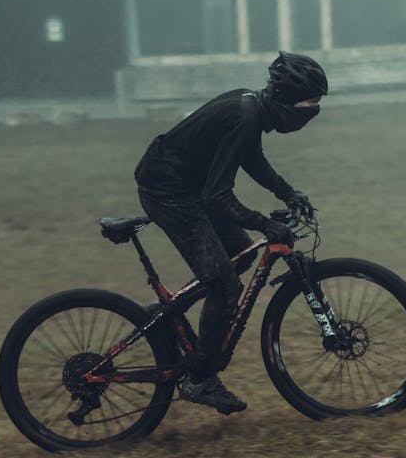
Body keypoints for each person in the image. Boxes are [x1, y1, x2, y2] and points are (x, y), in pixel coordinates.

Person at [135, 51, 328, 415]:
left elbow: (250, 157)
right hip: (169, 193)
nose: (312, 113)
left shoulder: (252, 108)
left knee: (242, 251)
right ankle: (199, 380)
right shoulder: (246, 115)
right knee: (226, 288)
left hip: (187, 187)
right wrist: (264, 222)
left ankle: (167, 313)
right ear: (287, 103)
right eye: (310, 105)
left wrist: (286, 191)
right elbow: (217, 196)